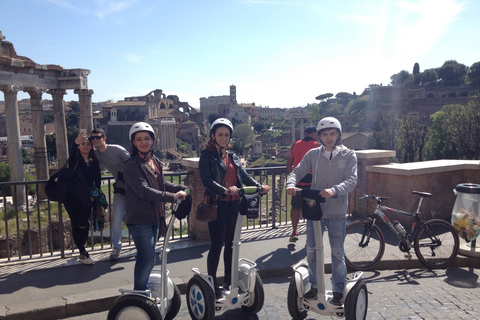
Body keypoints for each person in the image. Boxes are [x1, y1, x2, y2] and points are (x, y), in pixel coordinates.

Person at [286, 117, 357, 305]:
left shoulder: (349, 155)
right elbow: (297, 171)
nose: (328, 137)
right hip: (314, 210)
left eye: (332, 133)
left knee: (337, 251)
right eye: (324, 134)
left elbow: (352, 180)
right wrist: (291, 183)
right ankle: (315, 285)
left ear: (338, 134)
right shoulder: (313, 154)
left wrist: (335, 190)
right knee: (312, 250)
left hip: (336, 210)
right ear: (319, 136)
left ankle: (338, 289)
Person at [199, 118, 269, 298]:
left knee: (231, 244)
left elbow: (244, 176)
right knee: (217, 245)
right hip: (217, 203)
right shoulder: (207, 155)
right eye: (220, 134)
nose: (223, 138)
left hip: (235, 203)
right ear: (213, 135)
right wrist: (224, 191)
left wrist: (259, 186)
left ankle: (229, 280)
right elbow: (207, 180)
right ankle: (212, 282)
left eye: (226, 135)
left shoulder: (233, 156)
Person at [124, 122, 189, 291]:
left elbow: (161, 184)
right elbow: (143, 191)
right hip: (139, 219)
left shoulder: (154, 161)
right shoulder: (132, 164)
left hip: (154, 217)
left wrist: (181, 188)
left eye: (147, 138)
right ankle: (140, 294)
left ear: (152, 140)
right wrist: (172, 197)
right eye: (139, 139)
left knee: (147, 258)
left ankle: (141, 291)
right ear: (133, 142)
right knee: (147, 258)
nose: (143, 142)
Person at [89, 128, 130, 260]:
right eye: (92, 138)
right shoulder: (96, 154)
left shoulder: (117, 149)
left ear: (104, 138)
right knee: (116, 218)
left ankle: (144, 243)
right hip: (119, 188)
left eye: (98, 137)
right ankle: (117, 248)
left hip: (134, 187)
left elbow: (133, 164)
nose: (95, 140)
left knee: (137, 216)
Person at [65, 131, 102, 265]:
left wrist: (93, 196)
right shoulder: (75, 160)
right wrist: (75, 142)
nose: (86, 146)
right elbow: (72, 151)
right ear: (79, 146)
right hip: (72, 198)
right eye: (83, 144)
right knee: (77, 222)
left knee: (84, 223)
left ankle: (82, 244)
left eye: (88, 144)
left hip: (87, 198)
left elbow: (97, 181)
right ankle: (82, 251)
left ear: (92, 147)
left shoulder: (94, 162)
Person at [286, 125, 319, 242]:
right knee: (312, 208)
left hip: (298, 181)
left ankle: (294, 231)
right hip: (311, 182)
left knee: (295, 207)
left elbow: (289, 163)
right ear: (314, 134)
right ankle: (311, 235)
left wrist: (293, 177)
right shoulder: (317, 146)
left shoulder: (296, 144)